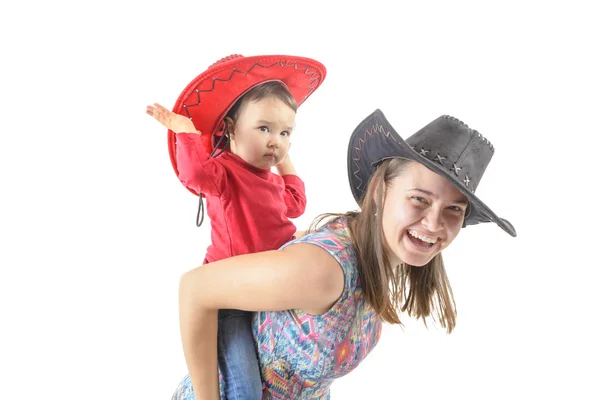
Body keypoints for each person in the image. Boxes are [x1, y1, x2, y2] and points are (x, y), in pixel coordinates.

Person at [172, 108, 517, 400]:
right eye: (419, 199)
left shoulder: (372, 255)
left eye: (454, 209)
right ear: (382, 191)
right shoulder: (325, 269)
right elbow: (195, 289)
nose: (433, 223)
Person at [147, 54, 327, 400]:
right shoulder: (223, 174)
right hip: (231, 297)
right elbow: (195, 175)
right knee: (245, 390)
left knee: (303, 369)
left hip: (273, 290)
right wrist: (187, 134)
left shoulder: (270, 180)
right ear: (231, 128)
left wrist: (283, 155)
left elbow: (296, 203)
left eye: (285, 132)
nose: (275, 140)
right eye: (264, 129)